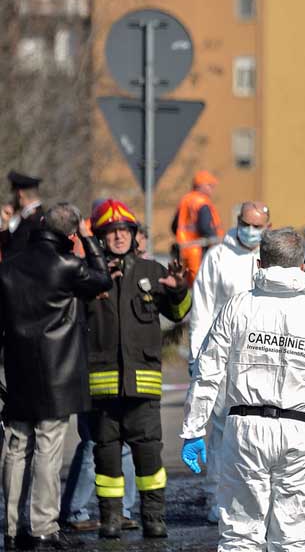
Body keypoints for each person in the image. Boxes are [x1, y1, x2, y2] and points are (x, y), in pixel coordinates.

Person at [181, 227, 305, 551]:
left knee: (240, 537)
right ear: (302, 268)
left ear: (259, 264)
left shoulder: (237, 308)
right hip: (302, 432)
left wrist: (194, 429)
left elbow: (207, 373)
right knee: (293, 539)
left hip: (246, 431)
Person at [0, 203, 112, 550]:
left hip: (17, 370)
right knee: (48, 450)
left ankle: (13, 527)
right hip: (56, 374)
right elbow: (103, 278)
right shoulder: (68, 266)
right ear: (71, 234)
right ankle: (43, 526)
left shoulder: (9, 267)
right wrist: (91, 242)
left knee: (17, 449)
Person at [86, 199, 191, 539]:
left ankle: (153, 517)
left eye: (124, 231)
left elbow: (178, 315)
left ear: (134, 235)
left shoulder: (152, 272)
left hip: (142, 384)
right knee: (107, 458)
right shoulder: (89, 275)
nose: (118, 237)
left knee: (149, 455)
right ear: (101, 237)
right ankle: (111, 519)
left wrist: (179, 292)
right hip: (102, 386)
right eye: (111, 232)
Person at [188, 200, 271, 524]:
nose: (251, 231)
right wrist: (198, 356)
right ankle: (217, 498)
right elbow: (202, 310)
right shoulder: (218, 258)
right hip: (223, 355)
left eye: (258, 225)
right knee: (222, 429)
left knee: (258, 430)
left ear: (267, 225)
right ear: (237, 222)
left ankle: (255, 498)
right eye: (246, 224)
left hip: (260, 357)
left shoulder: (269, 258)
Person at [172, 170, 223, 285]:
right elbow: (206, 228)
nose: (212, 189)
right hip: (200, 251)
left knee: (187, 283)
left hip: (184, 249)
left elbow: (175, 226)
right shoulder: (202, 202)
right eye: (210, 186)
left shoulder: (185, 200)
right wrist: (216, 244)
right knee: (201, 284)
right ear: (201, 185)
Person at [0, 170, 44, 259]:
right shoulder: (37, 215)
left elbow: (11, 255)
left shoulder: (32, 220)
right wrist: (5, 224)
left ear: (20, 193)